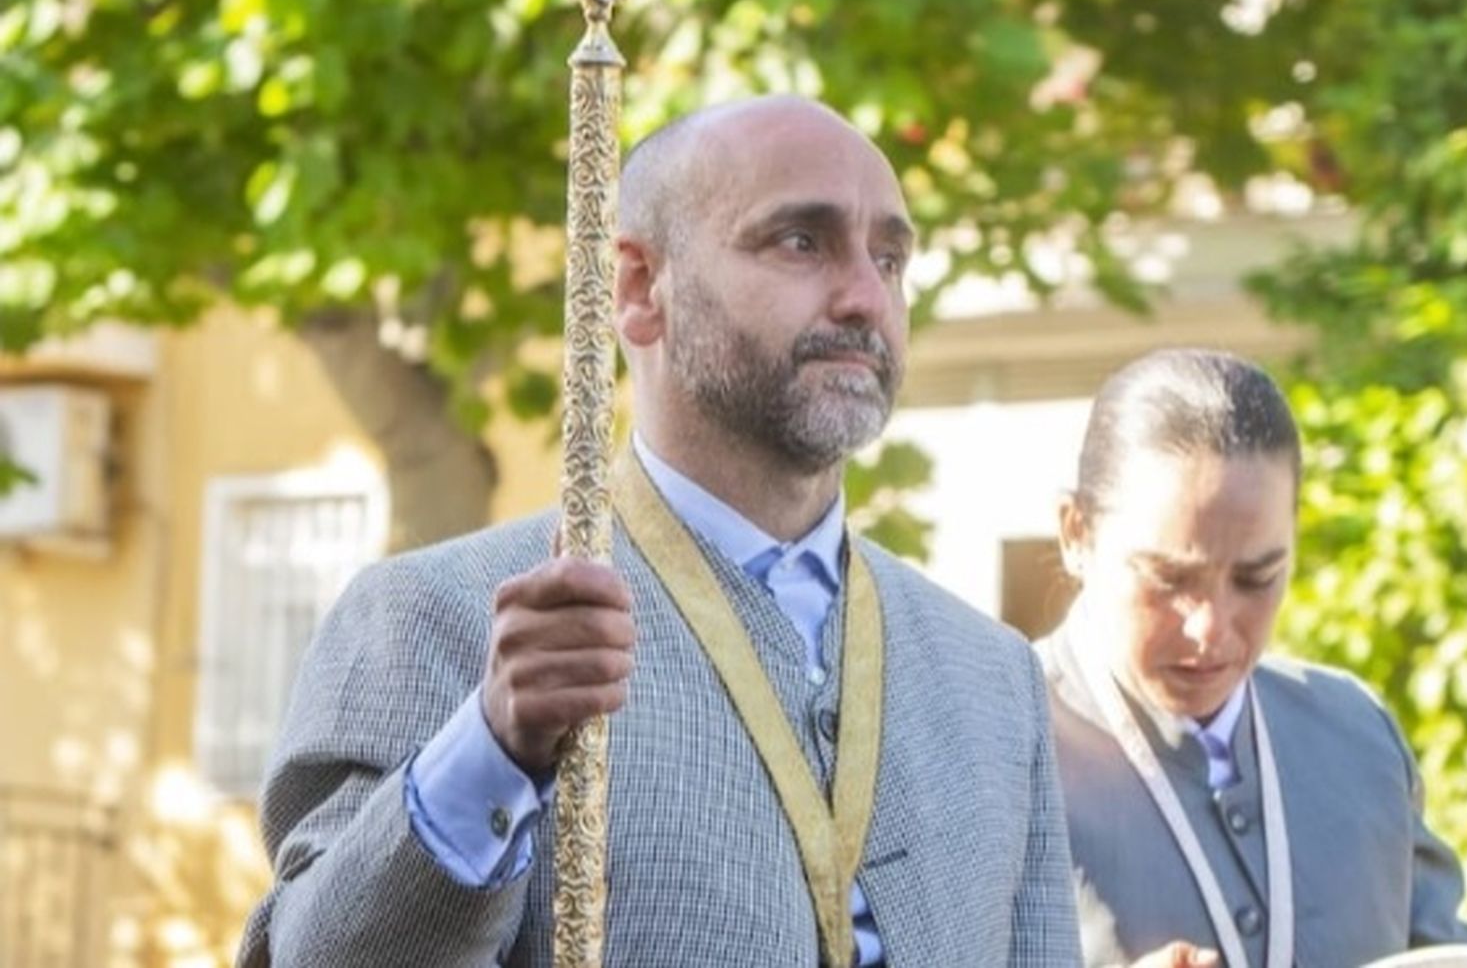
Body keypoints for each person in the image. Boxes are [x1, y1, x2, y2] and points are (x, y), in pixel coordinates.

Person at [237, 95, 1081, 967]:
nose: (866, 296)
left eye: (890, 257)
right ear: (639, 288)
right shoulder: (433, 618)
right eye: (801, 241)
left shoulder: (993, 676)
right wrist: (490, 747)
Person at [1038, 348, 1467, 968]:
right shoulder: (988, 750)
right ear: (1075, 534)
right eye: (1168, 579)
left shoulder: (1359, 737)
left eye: (1256, 578)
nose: (1210, 630)